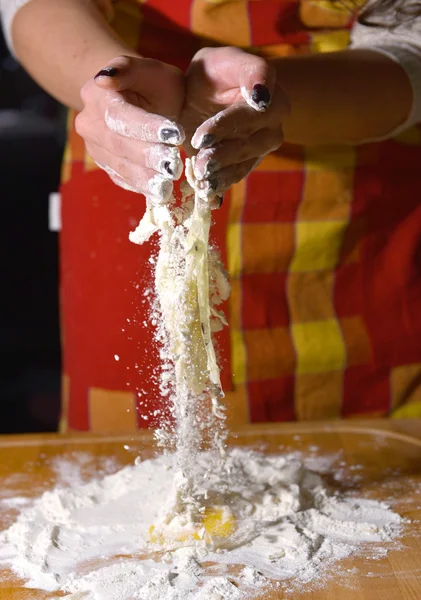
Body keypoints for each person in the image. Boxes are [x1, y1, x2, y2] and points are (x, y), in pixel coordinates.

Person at [2, 0, 421, 432]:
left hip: (351, 209)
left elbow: (413, 44)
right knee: (131, 462)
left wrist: (272, 96)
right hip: (134, 163)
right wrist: (108, 89)